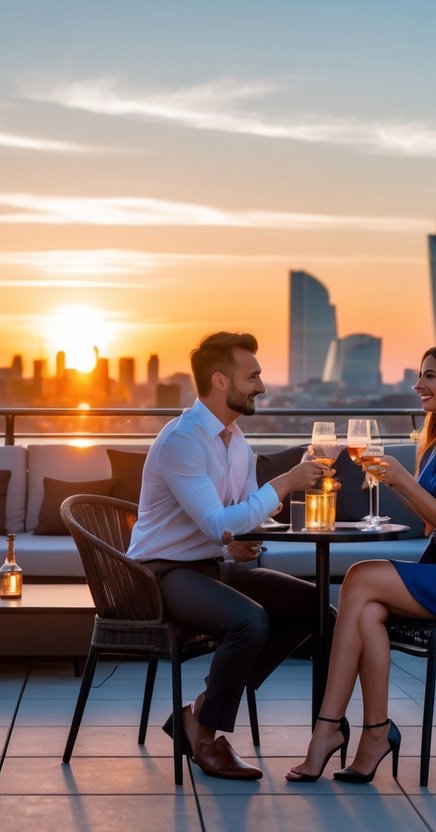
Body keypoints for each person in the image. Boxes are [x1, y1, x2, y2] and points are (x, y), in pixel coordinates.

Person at [285, 343, 436, 784]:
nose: (418, 384)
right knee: (367, 611)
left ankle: (326, 731)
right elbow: (432, 523)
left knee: (359, 577)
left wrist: (404, 479)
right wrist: (403, 484)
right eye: (420, 375)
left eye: (430, 376)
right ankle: (374, 734)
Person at [126, 331, 332, 781]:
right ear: (220, 380)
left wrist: (240, 542)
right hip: (159, 574)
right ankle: (206, 736)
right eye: (253, 375)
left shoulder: (234, 440)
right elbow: (219, 523)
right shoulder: (182, 440)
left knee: (318, 609)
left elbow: (232, 523)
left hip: (209, 566)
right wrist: (283, 484)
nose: (261, 385)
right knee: (250, 620)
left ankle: (200, 710)